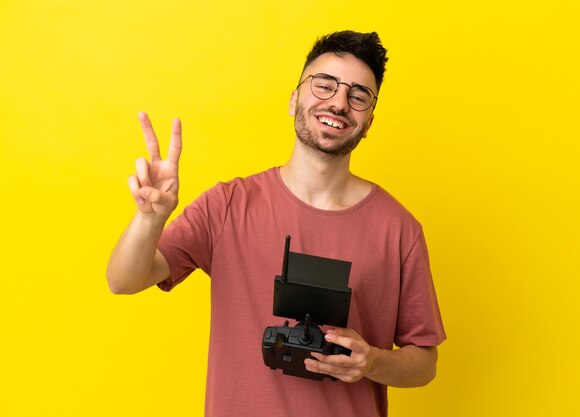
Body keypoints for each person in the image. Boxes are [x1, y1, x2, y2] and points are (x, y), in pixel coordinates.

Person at [107, 30, 446, 417]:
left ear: (368, 121)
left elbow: (425, 363)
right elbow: (124, 280)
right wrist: (149, 218)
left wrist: (371, 362)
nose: (338, 103)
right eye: (324, 85)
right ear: (293, 98)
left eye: (358, 95)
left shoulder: (399, 229)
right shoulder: (228, 205)